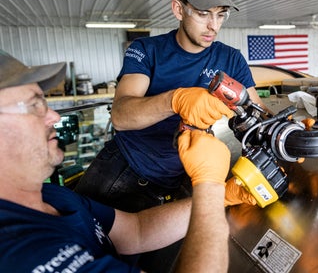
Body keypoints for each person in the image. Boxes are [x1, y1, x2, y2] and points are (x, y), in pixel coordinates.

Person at [0, 50, 231, 272]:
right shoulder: (20, 251)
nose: (54, 116)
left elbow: (137, 231)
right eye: (34, 105)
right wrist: (210, 184)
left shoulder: (52, 196)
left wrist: (225, 196)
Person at [75, 0, 260, 212]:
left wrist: (287, 135)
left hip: (179, 177)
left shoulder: (231, 59)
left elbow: (256, 113)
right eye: (203, 13)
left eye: (221, 14)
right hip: (125, 170)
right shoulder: (146, 51)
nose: (213, 26)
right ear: (178, 9)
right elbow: (120, 116)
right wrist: (176, 100)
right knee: (90, 240)